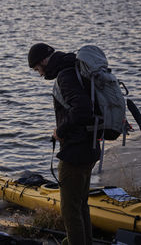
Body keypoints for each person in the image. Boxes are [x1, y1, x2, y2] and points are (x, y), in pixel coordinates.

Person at [27, 43, 101, 245]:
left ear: (43, 60)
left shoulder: (66, 76)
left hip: (75, 152)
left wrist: (60, 131)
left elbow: (82, 109)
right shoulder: (75, 68)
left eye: (37, 69)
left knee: (70, 210)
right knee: (81, 205)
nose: (40, 74)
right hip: (90, 146)